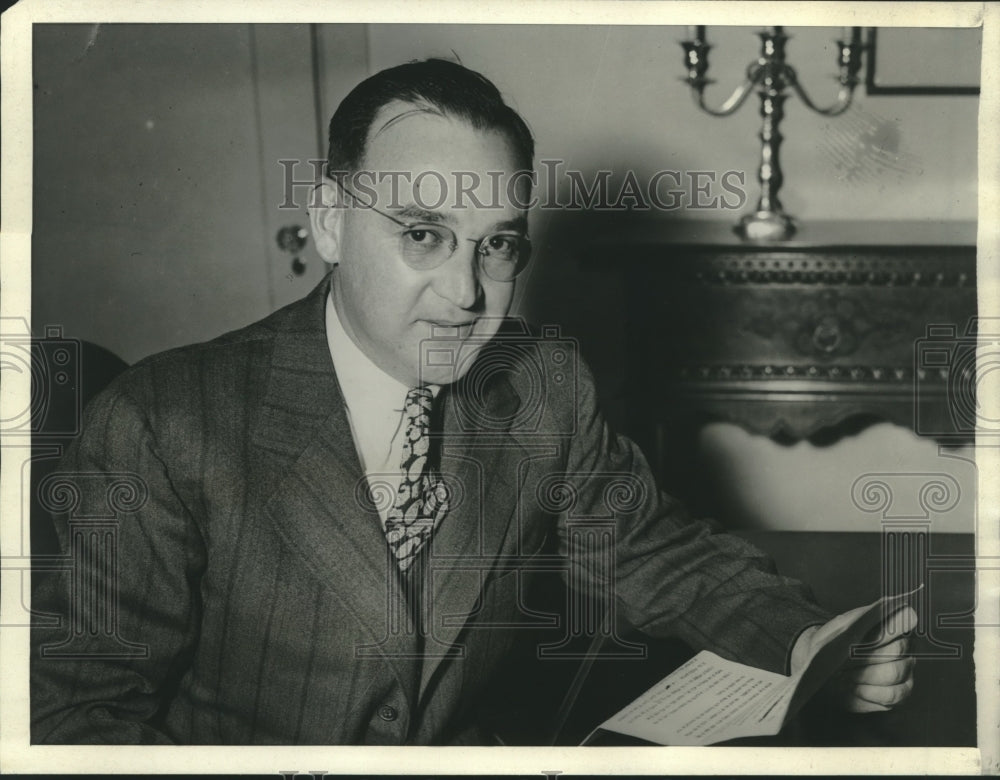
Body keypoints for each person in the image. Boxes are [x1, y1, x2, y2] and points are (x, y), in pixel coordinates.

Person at [30, 58, 915, 746]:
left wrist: (807, 643)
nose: (465, 292)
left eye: (497, 248)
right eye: (424, 235)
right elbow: (80, 720)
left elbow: (658, 555)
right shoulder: (163, 422)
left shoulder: (540, 386)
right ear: (331, 221)